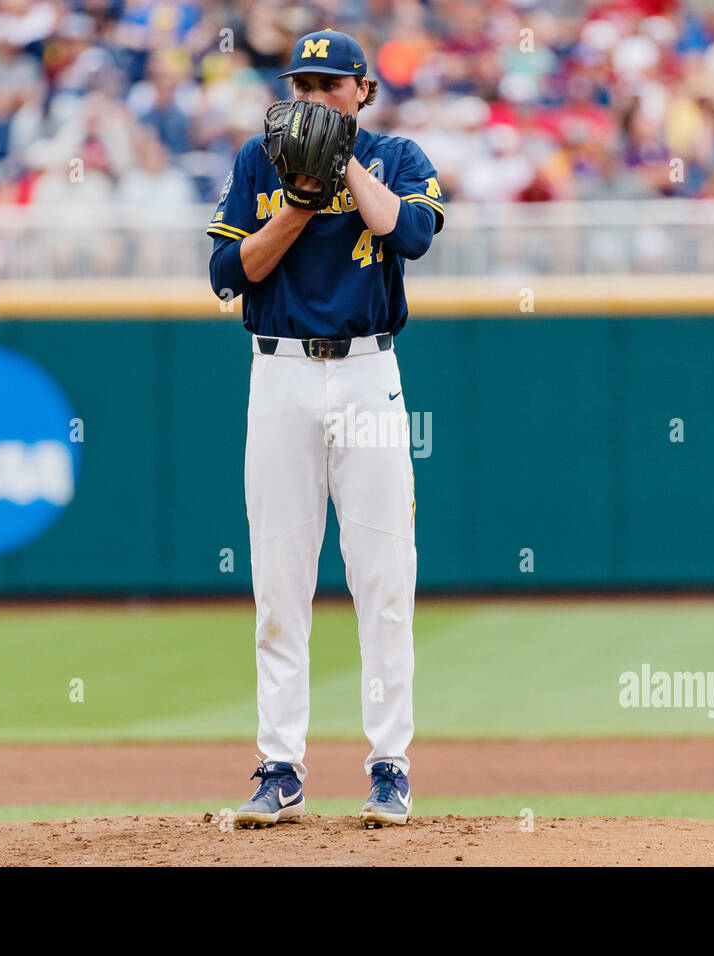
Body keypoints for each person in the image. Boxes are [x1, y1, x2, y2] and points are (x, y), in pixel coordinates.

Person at [206, 29, 445, 828]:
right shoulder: (256, 162)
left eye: (328, 86)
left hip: (370, 371)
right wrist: (301, 202)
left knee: (383, 578)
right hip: (278, 371)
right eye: (301, 87)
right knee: (279, 582)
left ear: (361, 90)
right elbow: (227, 275)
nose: (311, 99)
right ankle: (280, 767)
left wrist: (338, 162)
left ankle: (390, 768)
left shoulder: (397, 156)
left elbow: (408, 233)